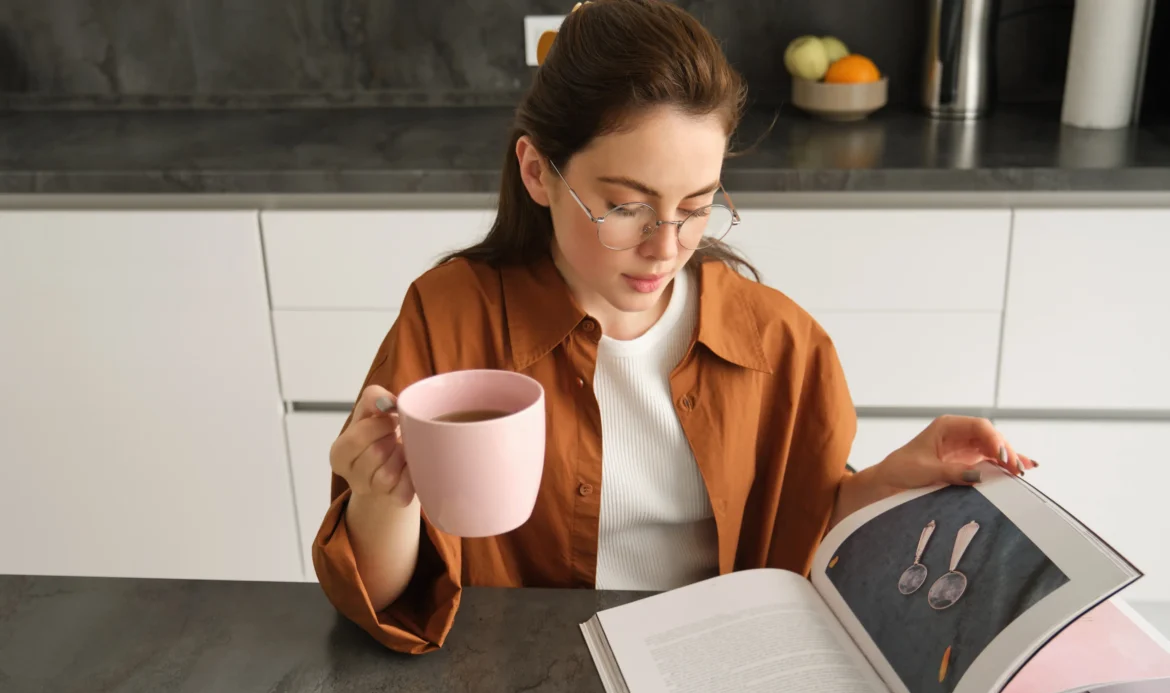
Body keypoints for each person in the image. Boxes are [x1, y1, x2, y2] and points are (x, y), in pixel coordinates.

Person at [313, 0, 1036, 655]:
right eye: (625, 206)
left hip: (722, 677)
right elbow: (379, 601)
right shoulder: (449, 320)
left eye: (696, 205)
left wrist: (893, 480)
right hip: (518, 679)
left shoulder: (779, 343)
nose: (666, 245)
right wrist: (381, 494)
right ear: (537, 173)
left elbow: (802, 534)